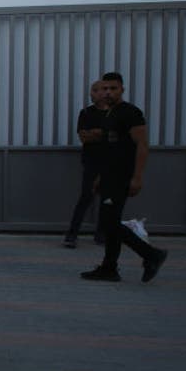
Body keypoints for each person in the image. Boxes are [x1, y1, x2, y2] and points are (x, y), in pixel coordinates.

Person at [80, 72, 169, 283]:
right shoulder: (111, 114)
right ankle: (109, 268)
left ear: (122, 89)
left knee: (109, 222)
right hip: (109, 175)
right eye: (105, 88)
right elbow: (111, 148)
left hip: (122, 176)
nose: (108, 92)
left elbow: (142, 145)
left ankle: (151, 255)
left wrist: (137, 177)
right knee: (109, 222)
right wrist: (101, 176)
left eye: (113, 88)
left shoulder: (130, 113)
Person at [63, 80, 107, 248]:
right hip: (91, 161)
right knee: (86, 196)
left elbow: (119, 137)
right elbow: (84, 136)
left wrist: (97, 133)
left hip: (112, 162)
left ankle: (101, 234)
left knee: (107, 199)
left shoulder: (116, 114)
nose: (94, 94)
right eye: (93, 90)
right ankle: (72, 234)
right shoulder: (87, 113)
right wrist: (102, 134)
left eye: (98, 90)